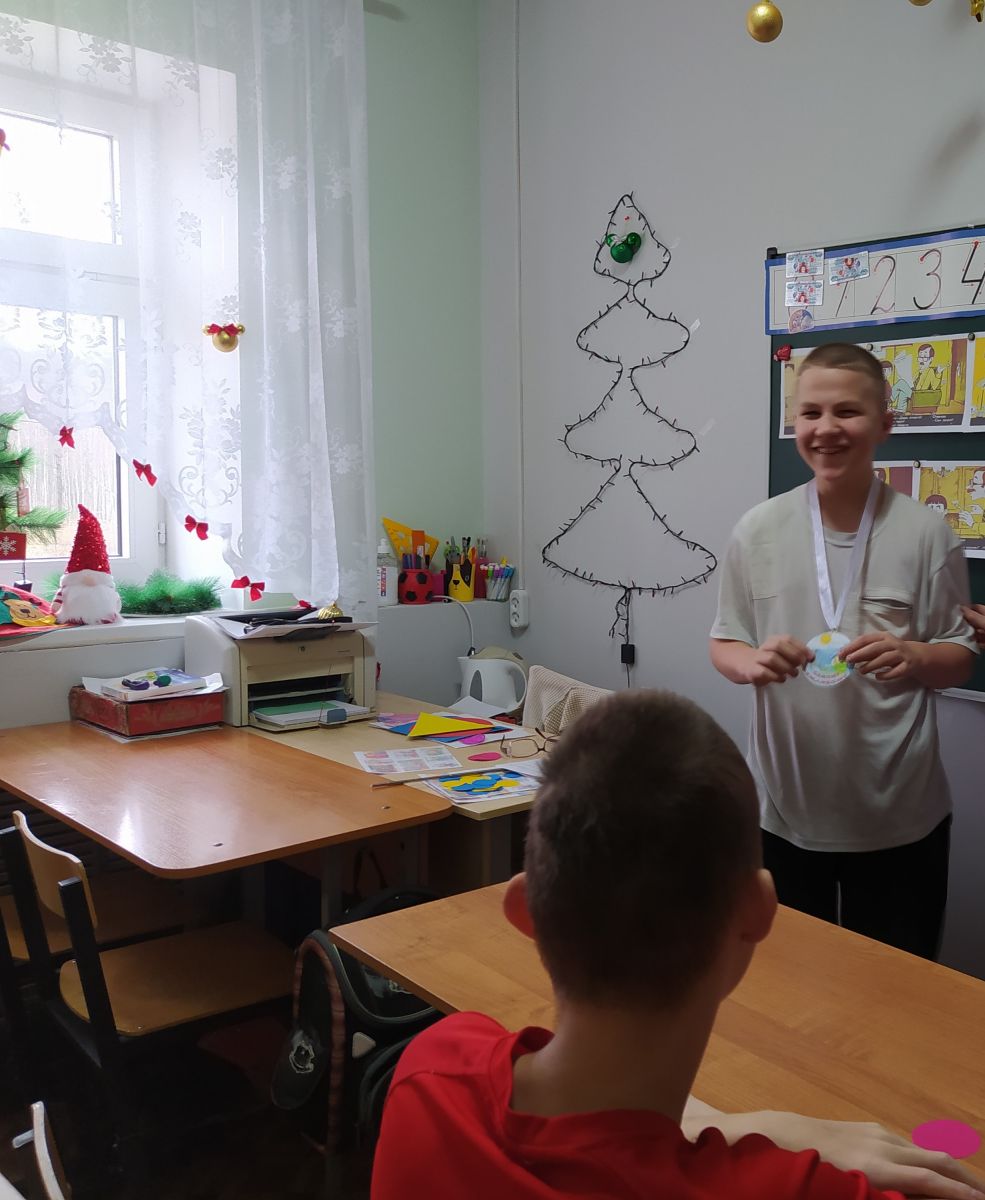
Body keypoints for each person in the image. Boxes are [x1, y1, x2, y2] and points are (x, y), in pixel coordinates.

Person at [371, 691, 984, 1200]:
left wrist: (743, 1126)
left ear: (524, 910)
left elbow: (605, 1127)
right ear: (758, 913)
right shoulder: (813, 1190)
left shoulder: (432, 1074)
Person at [710, 342, 976, 960]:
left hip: (900, 823)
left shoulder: (928, 535)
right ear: (794, 423)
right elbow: (724, 640)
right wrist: (749, 663)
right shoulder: (757, 531)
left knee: (892, 996)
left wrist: (916, 656)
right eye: (811, 413)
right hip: (782, 815)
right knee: (786, 992)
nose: (826, 428)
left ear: (885, 423)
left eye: (847, 412)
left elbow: (961, 656)